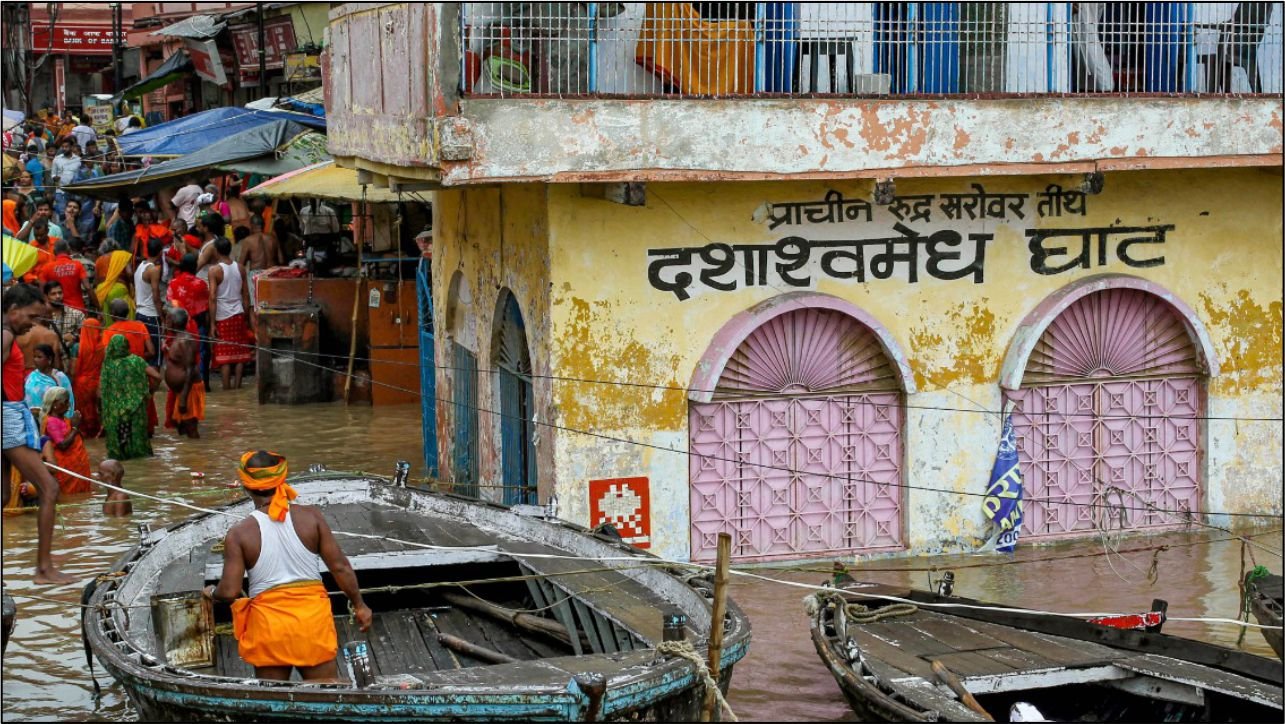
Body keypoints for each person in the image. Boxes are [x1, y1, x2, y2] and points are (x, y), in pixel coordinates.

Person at [203, 451, 371, 681]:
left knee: (273, 700)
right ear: (281, 480)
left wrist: (212, 593)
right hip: (311, 623)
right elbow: (340, 567)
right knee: (325, 696)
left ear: (246, 486)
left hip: (269, 628)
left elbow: (230, 591)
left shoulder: (239, 534)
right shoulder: (312, 518)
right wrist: (360, 605)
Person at [2, 284, 77, 583]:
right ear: (13, 309)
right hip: (7, 418)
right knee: (49, 489)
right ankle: (43, 569)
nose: (31, 324)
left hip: (8, 413)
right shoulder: (6, 334)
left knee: (3, 495)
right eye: (31, 317)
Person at [208, 237, 254, 390]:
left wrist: (212, 323)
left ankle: (227, 390)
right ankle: (237, 388)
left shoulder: (214, 270)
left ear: (216, 250)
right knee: (240, 354)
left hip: (223, 317)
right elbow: (246, 295)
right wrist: (246, 316)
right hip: (239, 314)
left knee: (224, 357)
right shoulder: (240, 268)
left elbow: (213, 297)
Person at [99, 335, 153, 461]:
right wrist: (147, 392)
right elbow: (157, 376)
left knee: (119, 442)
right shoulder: (137, 361)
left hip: (115, 411)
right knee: (137, 441)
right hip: (136, 407)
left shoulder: (108, 365)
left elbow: (101, 391)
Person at [38, 386, 92, 496]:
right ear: (55, 404)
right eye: (65, 402)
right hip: (65, 468)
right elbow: (62, 445)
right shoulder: (51, 421)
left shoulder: (63, 419)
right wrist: (75, 427)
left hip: (77, 467)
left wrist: (74, 426)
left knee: (81, 495)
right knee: (68, 495)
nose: (68, 406)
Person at [168, 252, 211, 387]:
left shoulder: (173, 283)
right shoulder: (201, 284)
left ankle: (181, 384)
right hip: (198, 324)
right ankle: (202, 384)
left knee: (179, 356)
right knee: (202, 355)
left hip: (179, 326)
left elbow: (171, 306)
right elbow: (205, 308)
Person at [163, 307, 205, 439]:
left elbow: (190, 369)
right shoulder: (178, 337)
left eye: (168, 318)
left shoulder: (185, 340)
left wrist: (183, 398)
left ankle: (196, 457)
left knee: (191, 427)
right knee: (182, 427)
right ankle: (189, 455)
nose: (166, 321)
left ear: (175, 322)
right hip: (181, 390)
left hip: (189, 389)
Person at [238, 214, 282, 308]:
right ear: (264, 224)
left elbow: (241, 264)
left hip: (256, 275)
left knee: (254, 306)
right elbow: (281, 260)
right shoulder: (273, 239)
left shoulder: (248, 241)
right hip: (272, 273)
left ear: (251, 225)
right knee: (271, 305)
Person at [72, 317, 104, 439]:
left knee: (82, 411)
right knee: (96, 410)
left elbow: (73, 369)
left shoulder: (77, 348)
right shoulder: (103, 347)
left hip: (82, 383)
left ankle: (84, 434)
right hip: (97, 382)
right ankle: (97, 434)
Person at [40, 240, 93, 313]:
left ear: (54, 252)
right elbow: (88, 287)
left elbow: (42, 292)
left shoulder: (46, 268)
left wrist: (48, 309)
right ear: (69, 250)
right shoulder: (78, 265)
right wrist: (98, 307)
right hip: (78, 310)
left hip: (56, 311)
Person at [40, 280, 84, 368]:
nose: (58, 296)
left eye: (60, 293)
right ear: (46, 297)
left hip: (72, 363)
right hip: (51, 365)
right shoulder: (42, 318)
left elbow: (87, 336)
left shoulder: (76, 314)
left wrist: (75, 337)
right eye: (53, 294)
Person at [134, 238, 164, 365]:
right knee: (155, 355)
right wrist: (162, 317)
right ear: (160, 252)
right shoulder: (154, 270)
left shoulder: (140, 266)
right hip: (151, 315)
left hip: (139, 313)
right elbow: (156, 296)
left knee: (144, 350)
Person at [24, 343, 75, 413]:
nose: (35, 360)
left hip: (53, 420)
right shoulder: (32, 376)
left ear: (49, 359)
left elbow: (68, 399)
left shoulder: (59, 377)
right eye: (34, 357)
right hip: (32, 418)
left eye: (39, 357)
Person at [95, 249, 134, 328]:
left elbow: (96, 281)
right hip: (118, 289)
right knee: (124, 323)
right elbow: (129, 273)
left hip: (103, 292)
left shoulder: (99, 260)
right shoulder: (122, 255)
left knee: (108, 324)